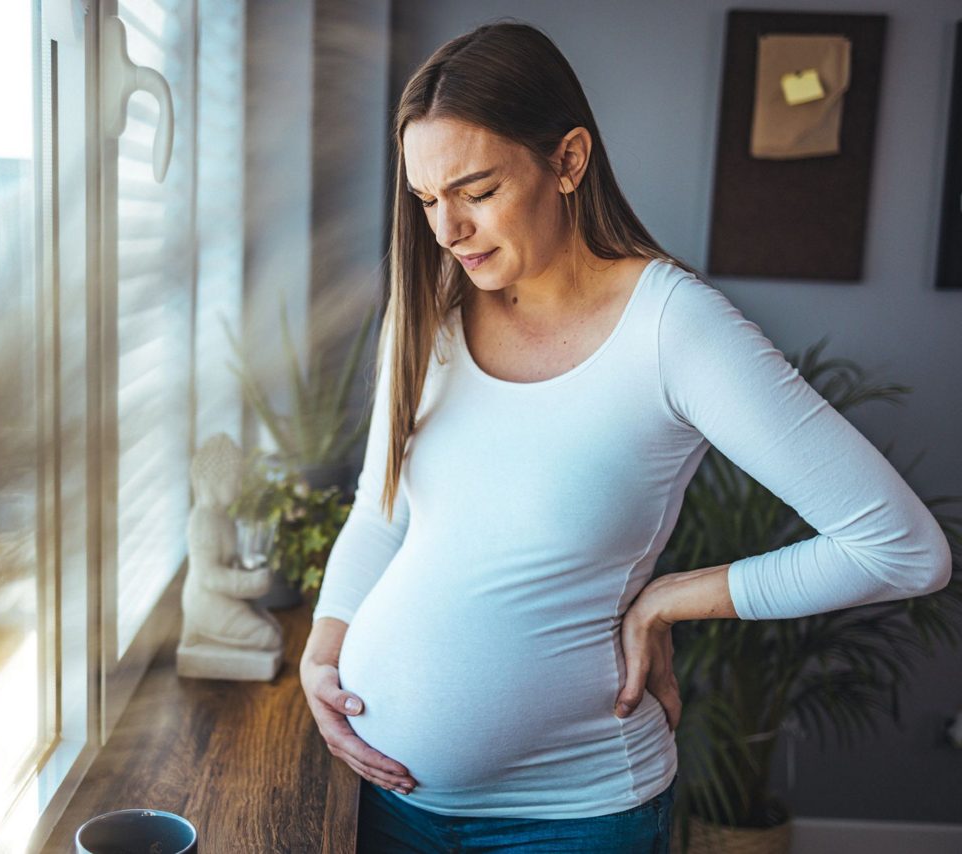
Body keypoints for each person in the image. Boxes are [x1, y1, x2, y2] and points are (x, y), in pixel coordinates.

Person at [299, 20, 952, 854]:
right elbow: (384, 507)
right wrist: (326, 651)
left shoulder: (675, 329)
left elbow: (902, 549)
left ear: (568, 161)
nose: (447, 230)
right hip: (389, 804)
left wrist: (668, 600)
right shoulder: (429, 306)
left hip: (575, 819)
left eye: (477, 190)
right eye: (427, 199)